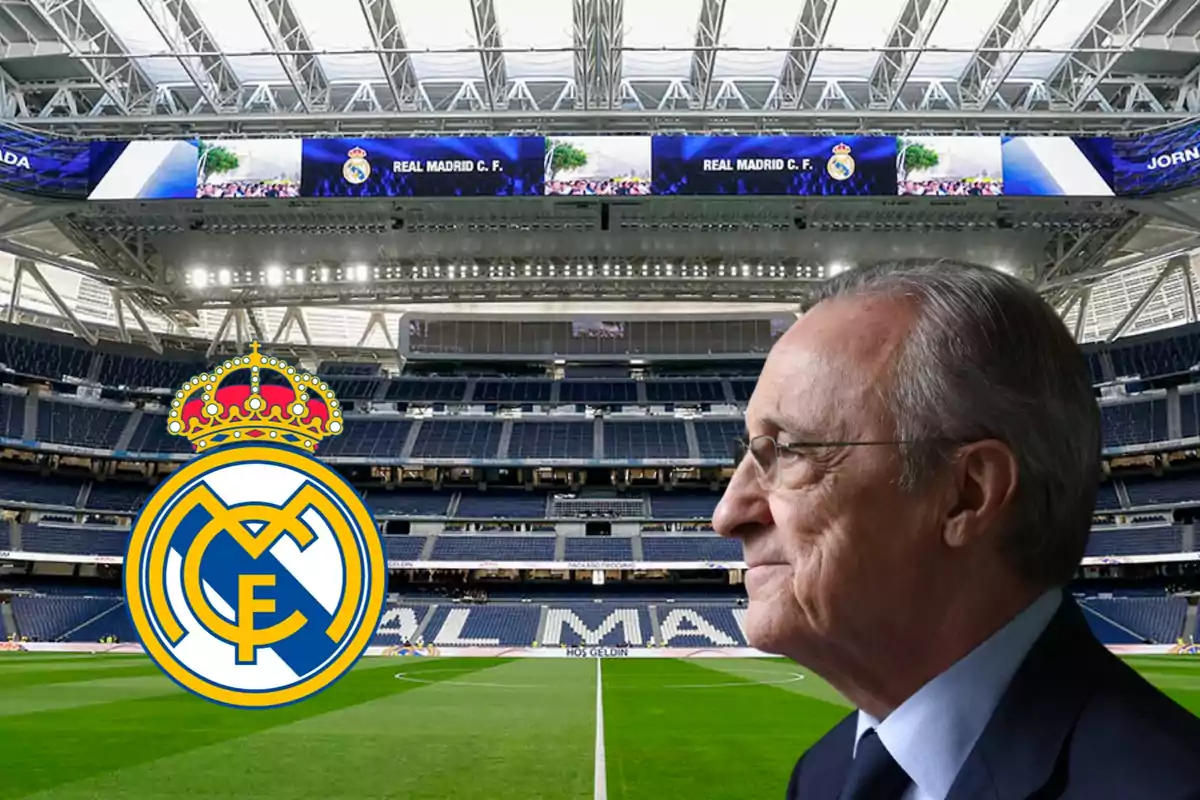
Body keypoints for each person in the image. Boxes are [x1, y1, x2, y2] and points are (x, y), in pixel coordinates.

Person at [712, 260, 1200, 800]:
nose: (728, 514)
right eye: (751, 453)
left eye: (788, 452)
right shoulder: (822, 775)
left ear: (966, 494)